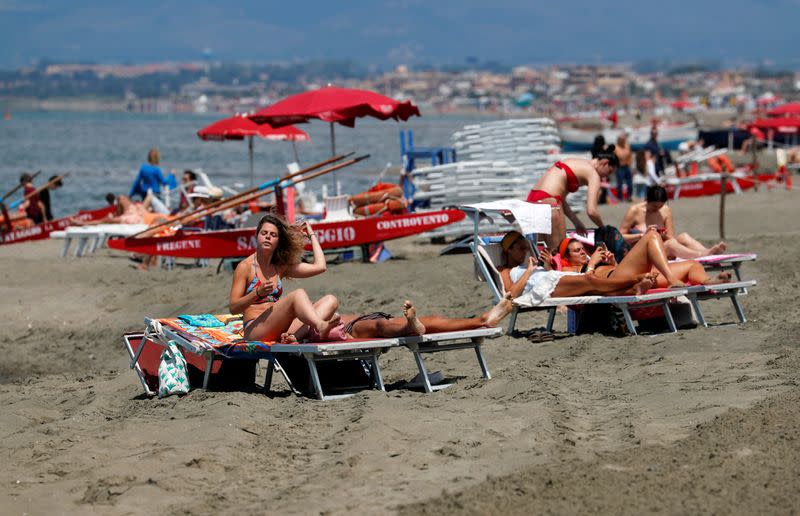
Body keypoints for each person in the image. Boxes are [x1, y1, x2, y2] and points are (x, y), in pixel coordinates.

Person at [229, 214, 341, 342]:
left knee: (330, 300)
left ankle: (293, 337)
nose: (267, 237)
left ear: (278, 242)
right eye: (264, 233)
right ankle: (319, 325)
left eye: (273, 235)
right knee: (298, 294)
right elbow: (233, 308)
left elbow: (320, 266)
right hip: (255, 330)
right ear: (257, 236)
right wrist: (257, 293)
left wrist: (311, 235)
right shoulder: (245, 267)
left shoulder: (279, 267)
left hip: (279, 327)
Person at [498, 231, 657, 305]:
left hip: (552, 278)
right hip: (543, 286)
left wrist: (544, 267)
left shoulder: (528, 264)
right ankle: (634, 280)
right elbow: (511, 294)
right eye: (521, 248)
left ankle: (632, 289)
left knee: (592, 288)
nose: (525, 252)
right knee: (590, 281)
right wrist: (528, 270)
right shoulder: (504, 270)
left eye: (526, 248)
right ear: (508, 250)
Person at [280, 298, 514, 343]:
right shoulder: (286, 319)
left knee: (424, 322)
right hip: (344, 327)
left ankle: (480, 320)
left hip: (343, 327)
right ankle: (480, 320)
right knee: (384, 325)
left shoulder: (282, 315)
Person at [558, 231, 731, 289]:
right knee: (651, 236)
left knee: (692, 265)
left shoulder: (593, 262)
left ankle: (709, 281)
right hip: (615, 282)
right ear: (567, 256)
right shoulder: (567, 271)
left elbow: (614, 270)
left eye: (582, 249)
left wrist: (612, 263)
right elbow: (585, 284)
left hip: (621, 274)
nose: (582, 252)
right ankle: (671, 279)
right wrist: (592, 264)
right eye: (576, 251)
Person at [525, 149, 619, 251]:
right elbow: (592, 211)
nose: (606, 177)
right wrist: (604, 229)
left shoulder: (575, 161)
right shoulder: (593, 174)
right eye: (609, 172)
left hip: (533, 199)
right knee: (559, 252)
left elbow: (559, 197)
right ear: (605, 163)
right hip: (551, 204)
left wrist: (576, 222)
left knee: (541, 251)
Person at [619, 185, 726, 258]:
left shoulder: (665, 210)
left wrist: (663, 235)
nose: (657, 209)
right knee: (670, 245)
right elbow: (619, 236)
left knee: (683, 236)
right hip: (643, 251)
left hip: (661, 246)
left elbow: (670, 237)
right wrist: (642, 235)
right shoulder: (634, 211)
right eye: (654, 206)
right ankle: (703, 254)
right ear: (647, 200)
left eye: (660, 206)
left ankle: (707, 252)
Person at [614, 133, 633, 201]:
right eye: (622, 139)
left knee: (630, 183)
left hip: (627, 166)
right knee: (620, 183)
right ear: (619, 140)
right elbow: (613, 158)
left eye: (624, 139)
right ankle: (620, 197)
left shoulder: (627, 146)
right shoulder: (616, 147)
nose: (624, 141)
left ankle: (629, 196)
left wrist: (630, 164)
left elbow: (630, 155)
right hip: (619, 167)